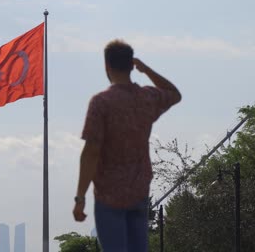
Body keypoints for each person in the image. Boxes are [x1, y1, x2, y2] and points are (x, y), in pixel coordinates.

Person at [73, 39, 181, 252]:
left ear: (107, 66)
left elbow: (91, 152)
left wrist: (80, 197)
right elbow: (174, 94)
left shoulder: (101, 102)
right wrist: (147, 69)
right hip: (139, 191)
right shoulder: (147, 97)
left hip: (108, 195)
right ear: (132, 65)